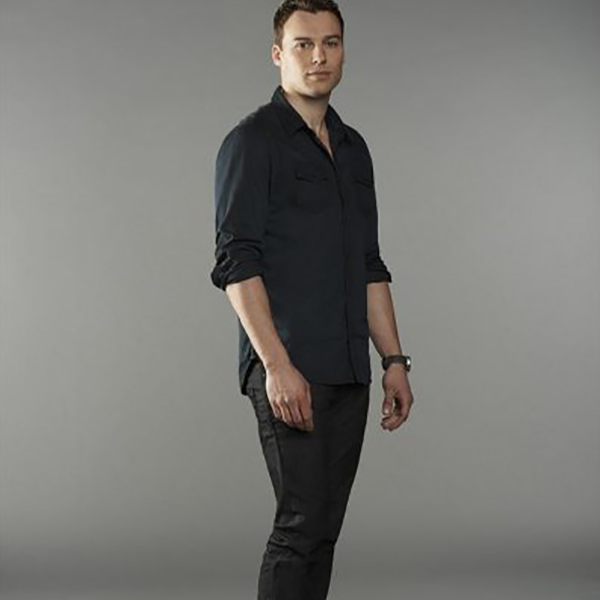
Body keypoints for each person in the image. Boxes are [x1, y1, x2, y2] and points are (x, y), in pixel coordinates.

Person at [210, 1, 415, 598]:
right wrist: (276, 366)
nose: (319, 56)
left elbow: (369, 264)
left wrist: (393, 361)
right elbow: (236, 263)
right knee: (300, 527)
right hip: (289, 366)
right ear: (279, 54)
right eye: (303, 44)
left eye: (331, 42)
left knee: (323, 531)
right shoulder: (252, 142)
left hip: (348, 367)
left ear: (344, 51)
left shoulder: (353, 149)